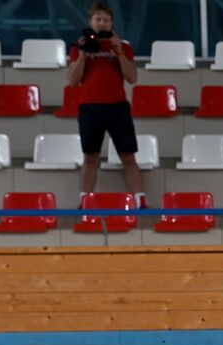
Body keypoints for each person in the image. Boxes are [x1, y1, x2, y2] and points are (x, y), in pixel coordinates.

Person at [67, 1, 145, 208]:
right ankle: (85, 201)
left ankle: (140, 201)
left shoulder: (123, 46)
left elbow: (132, 77)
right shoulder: (79, 47)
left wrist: (118, 51)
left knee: (128, 156)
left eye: (106, 20)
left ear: (112, 23)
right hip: (90, 107)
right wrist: (83, 55)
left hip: (117, 107)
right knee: (90, 157)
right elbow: (73, 80)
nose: (102, 24)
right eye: (98, 19)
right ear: (91, 22)